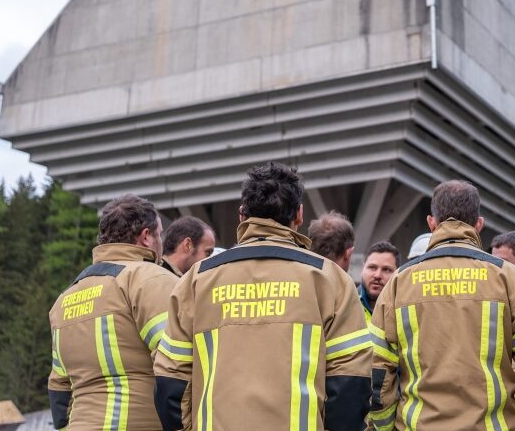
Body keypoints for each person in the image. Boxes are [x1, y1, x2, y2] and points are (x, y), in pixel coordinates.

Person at [153, 162, 371, 431]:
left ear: (242, 215)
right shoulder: (331, 280)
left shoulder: (195, 281)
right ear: (299, 215)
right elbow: (351, 385)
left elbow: (170, 384)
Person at [369, 180, 515, 430]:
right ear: (479, 224)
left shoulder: (399, 283)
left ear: (431, 223)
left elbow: (379, 372)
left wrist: (383, 427)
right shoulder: (510, 279)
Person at [47, 194, 178, 431]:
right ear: (146, 237)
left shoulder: (64, 300)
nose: (161, 243)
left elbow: (59, 392)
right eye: (160, 234)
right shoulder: (151, 279)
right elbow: (177, 362)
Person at [358, 241, 400, 323]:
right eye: (372, 267)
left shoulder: (404, 308)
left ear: (398, 274)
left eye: (386, 269)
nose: (377, 275)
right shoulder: (345, 304)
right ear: (362, 269)